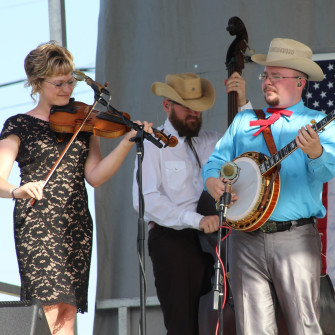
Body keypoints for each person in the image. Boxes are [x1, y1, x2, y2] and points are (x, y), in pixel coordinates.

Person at [0, 41, 152, 335]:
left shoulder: (82, 123)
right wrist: (18, 190)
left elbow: (94, 176)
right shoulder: (18, 124)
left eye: (71, 81)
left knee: (67, 312)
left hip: (76, 223)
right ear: (37, 83)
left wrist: (124, 144)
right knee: (47, 310)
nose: (67, 89)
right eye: (58, 83)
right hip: (38, 223)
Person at [203, 37, 335, 335]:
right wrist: (213, 182)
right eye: (265, 75)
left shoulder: (318, 122)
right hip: (244, 239)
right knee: (252, 329)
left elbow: (327, 171)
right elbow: (215, 162)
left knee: (305, 326)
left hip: (295, 237)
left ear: (300, 82)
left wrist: (315, 152)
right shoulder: (244, 120)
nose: (267, 82)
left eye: (277, 76)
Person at [132, 72, 248, 334]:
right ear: (167, 106)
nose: (194, 112)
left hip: (217, 240)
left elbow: (249, 145)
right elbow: (145, 199)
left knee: (215, 322)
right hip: (174, 239)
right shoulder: (153, 144)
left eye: (199, 107)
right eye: (186, 106)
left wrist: (241, 102)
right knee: (183, 325)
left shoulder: (212, 140)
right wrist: (197, 220)